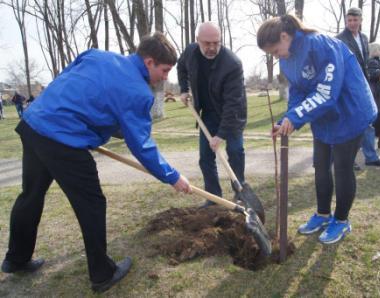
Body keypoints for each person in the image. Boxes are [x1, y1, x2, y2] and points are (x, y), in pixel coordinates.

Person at [1, 32, 192, 293]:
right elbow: (142, 145)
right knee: (91, 204)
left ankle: (16, 259)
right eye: (165, 70)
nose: (166, 77)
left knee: (31, 195)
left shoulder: (95, 55)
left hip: (34, 125)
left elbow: (72, 84)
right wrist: (173, 177)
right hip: (63, 140)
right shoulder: (137, 92)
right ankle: (102, 274)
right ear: (149, 62)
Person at [257, 15, 377, 244]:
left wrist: (296, 115)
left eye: (275, 51)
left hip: (350, 112)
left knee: (342, 168)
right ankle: (323, 214)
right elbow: (298, 92)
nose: (276, 56)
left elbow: (326, 92)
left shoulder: (321, 44)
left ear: (284, 36)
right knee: (320, 165)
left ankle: (341, 220)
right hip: (324, 117)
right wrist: (288, 119)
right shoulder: (287, 58)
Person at [177, 22, 247, 207]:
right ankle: (213, 197)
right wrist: (184, 89)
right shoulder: (190, 52)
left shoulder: (232, 64)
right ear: (197, 40)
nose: (212, 47)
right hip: (207, 113)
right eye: (207, 43)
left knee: (235, 152)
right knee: (206, 158)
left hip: (232, 115)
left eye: (216, 43)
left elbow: (233, 104)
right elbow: (181, 67)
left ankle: (241, 194)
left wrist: (221, 135)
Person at [336, 7, 380, 168]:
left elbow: (364, 63)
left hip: (363, 87)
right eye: (349, 20)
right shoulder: (339, 39)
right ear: (346, 21)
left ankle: (371, 157)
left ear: (361, 20)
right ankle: (348, 160)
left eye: (355, 20)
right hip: (347, 88)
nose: (352, 23)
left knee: (367, 121)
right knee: (348, 124)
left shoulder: (364, 38)